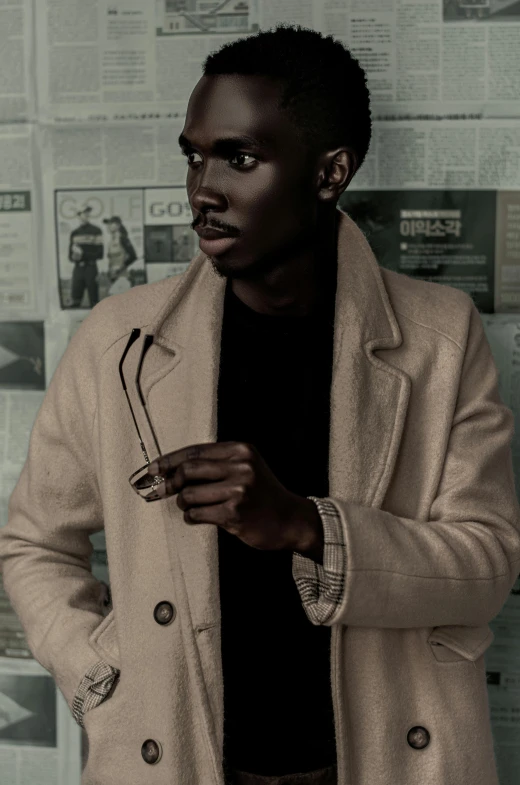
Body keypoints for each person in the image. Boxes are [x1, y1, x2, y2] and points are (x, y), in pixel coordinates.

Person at [0, 24, 519, 785]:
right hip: (176, 759)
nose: (203, 188)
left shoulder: (439, 336)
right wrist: (103, 678)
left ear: (329, 172)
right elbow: (35, 544)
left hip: (377, 761)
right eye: (195, 154)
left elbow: (487, 563)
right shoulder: (119, 342)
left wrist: (307, 526)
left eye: (240, 158)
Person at [67, 206, 104, 308]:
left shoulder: (96, 230)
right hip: (78, 269)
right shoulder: (74, 233)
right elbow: (70, 256)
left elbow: (100, 254)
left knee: (94, 302)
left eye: (88, 212)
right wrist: (74, 257)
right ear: (78, 215)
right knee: (75, 301)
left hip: (91, 269)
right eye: (84, 212)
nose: (87, 214)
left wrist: (83, 254)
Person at [102, 216, 138, 283]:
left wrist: (121, 268)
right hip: (113, 277)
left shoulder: (122, 238)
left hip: (122, 277)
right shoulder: (110, 242)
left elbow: (133, 256)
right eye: (107, 224)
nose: (108, 226)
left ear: (118, 225)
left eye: (111, 223)